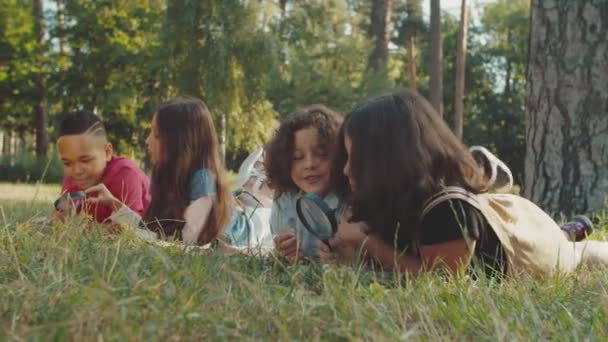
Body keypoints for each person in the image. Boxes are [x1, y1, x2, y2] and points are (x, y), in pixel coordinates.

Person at [329, 90, 605, 277]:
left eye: (356, 157)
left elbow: (437, 282)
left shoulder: (447, 210)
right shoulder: (402, 204)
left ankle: (572, 236)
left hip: (540, 247)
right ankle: (571, 229)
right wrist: (348, 254)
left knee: (576, 253)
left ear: (391, 159)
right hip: (505, 227)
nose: (345, 168)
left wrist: (369, 243)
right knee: (563, 234)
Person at [85, 98, 272, 250]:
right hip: (230, 210)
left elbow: (187, 245)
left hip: (254, 226)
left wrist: (126, 232)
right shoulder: (168, 176)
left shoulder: (202, 180)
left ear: (180, 143)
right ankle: (250, 185)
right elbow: (155, 230)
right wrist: (115, 205)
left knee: (265, 207)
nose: (147, 140)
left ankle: (260, 181)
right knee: (240, 198)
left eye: (156, 135)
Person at [264, 105, 344, 259]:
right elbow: (281, 250)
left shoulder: (348, 201)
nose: (310, 164)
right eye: (297, 157)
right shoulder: (284, 200)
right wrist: (284, 252)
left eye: (322, 154)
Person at [56, 111, 150, 223]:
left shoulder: (126, 174)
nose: (76, 170)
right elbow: (61, 215)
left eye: (85, 160)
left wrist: (81, 228)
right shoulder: (72, 178)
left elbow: (130, 228)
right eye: (67, 163)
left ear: (107, 152)